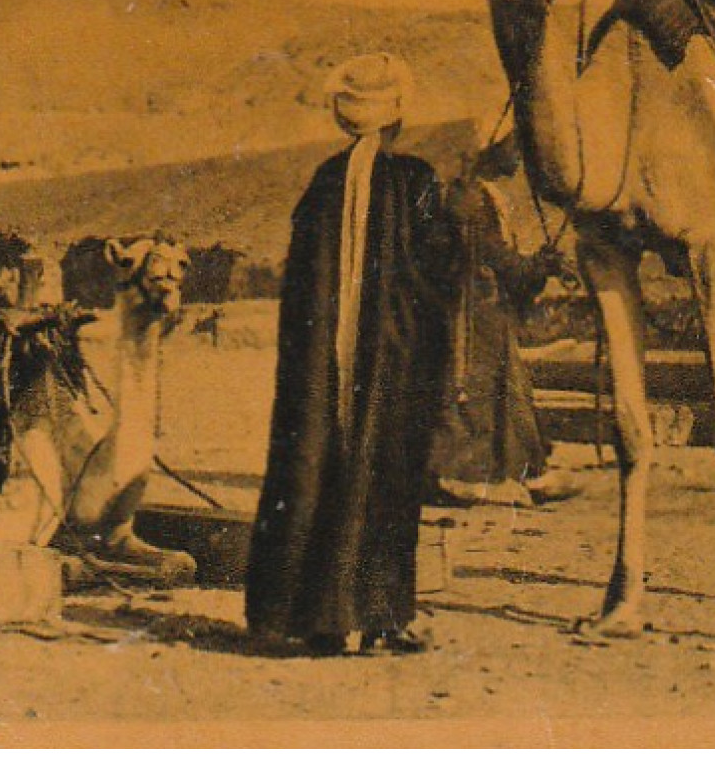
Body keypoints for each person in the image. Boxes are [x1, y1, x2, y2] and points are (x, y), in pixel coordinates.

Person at [245, 53, 458, 657]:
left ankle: (317, 619)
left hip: (318, 371)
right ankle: (384, 617)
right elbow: (436, 274)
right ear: (397, 117)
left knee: (317, 467)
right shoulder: (416, 180)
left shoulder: (321, 183)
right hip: (390, 364)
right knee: (384, 476)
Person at [427, 128, 580, 508]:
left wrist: (537, 266)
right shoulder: (471, 197)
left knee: (508, 390)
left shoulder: (485, 195)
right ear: (490, 152)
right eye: (512, 149)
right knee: (490, 391)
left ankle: (528, 475)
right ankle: (480, 477)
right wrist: (539, 266)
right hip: (474, 312)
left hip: (487, 309)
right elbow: (494, 257)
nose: (519, 158)